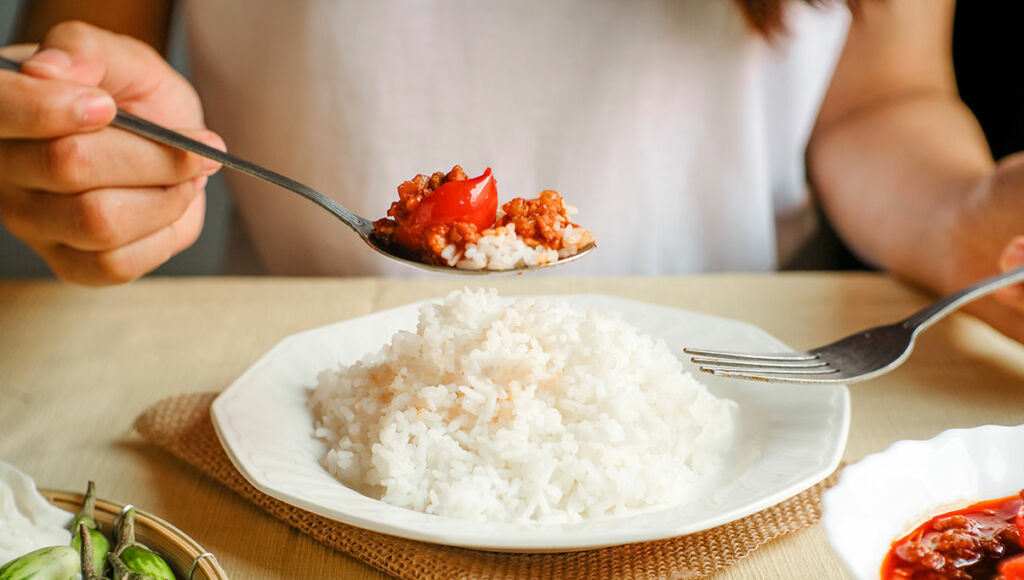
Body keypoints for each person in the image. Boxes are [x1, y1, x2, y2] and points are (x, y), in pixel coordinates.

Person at [1, 0, 1023, 343]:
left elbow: (879, 98)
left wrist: (961, 215)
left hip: (728, 375)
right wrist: (87, 135)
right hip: (277, 368)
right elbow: (81, 38)